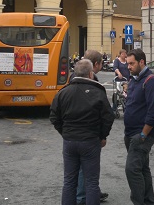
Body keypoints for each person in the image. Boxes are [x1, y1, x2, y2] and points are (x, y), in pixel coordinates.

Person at [50, 59, 115, 205]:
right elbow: (108, 117)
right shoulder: (98, 92)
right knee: (91, 182)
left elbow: (54, 116)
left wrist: (64, 132)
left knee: (69, 181)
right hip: (90, 140)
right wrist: (102, 135)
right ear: (91, 74)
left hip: (70, 141)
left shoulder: (63, 92)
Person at [68, 50, 110, 204]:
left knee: (75, 174)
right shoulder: (91, 83)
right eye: (100, 64)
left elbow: (57, 113)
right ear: (95, 65)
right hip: (88, 135)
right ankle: (82, 197)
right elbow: (105, 113)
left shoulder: (73, 80)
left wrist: (64, 130)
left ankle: (88, 194)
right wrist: (102, 135)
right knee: (85, 170)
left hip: (73, 134)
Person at [123, 48, 154, 205]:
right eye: (127, 64)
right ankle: (148, 201)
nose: (129, 67)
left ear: (142, 62)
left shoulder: (151, 81)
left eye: (132, 63)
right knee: (142, 168)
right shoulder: (134, 79)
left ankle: (139, 202)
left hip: (142, 134)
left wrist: (143, 135)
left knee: (132, 169)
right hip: (131, 132)